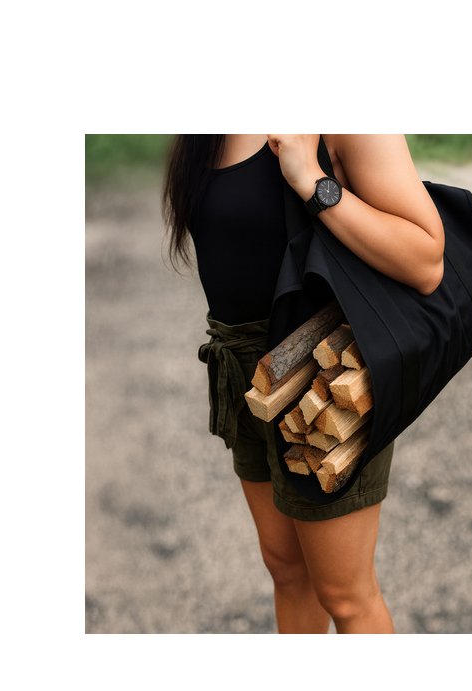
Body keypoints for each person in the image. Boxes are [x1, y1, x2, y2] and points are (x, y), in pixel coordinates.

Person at [162, 135, 444, 633]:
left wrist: (311, 181)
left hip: (325, 379)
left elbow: (425, 260)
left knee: (346, 594)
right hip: (245, 370)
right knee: (288, 571)